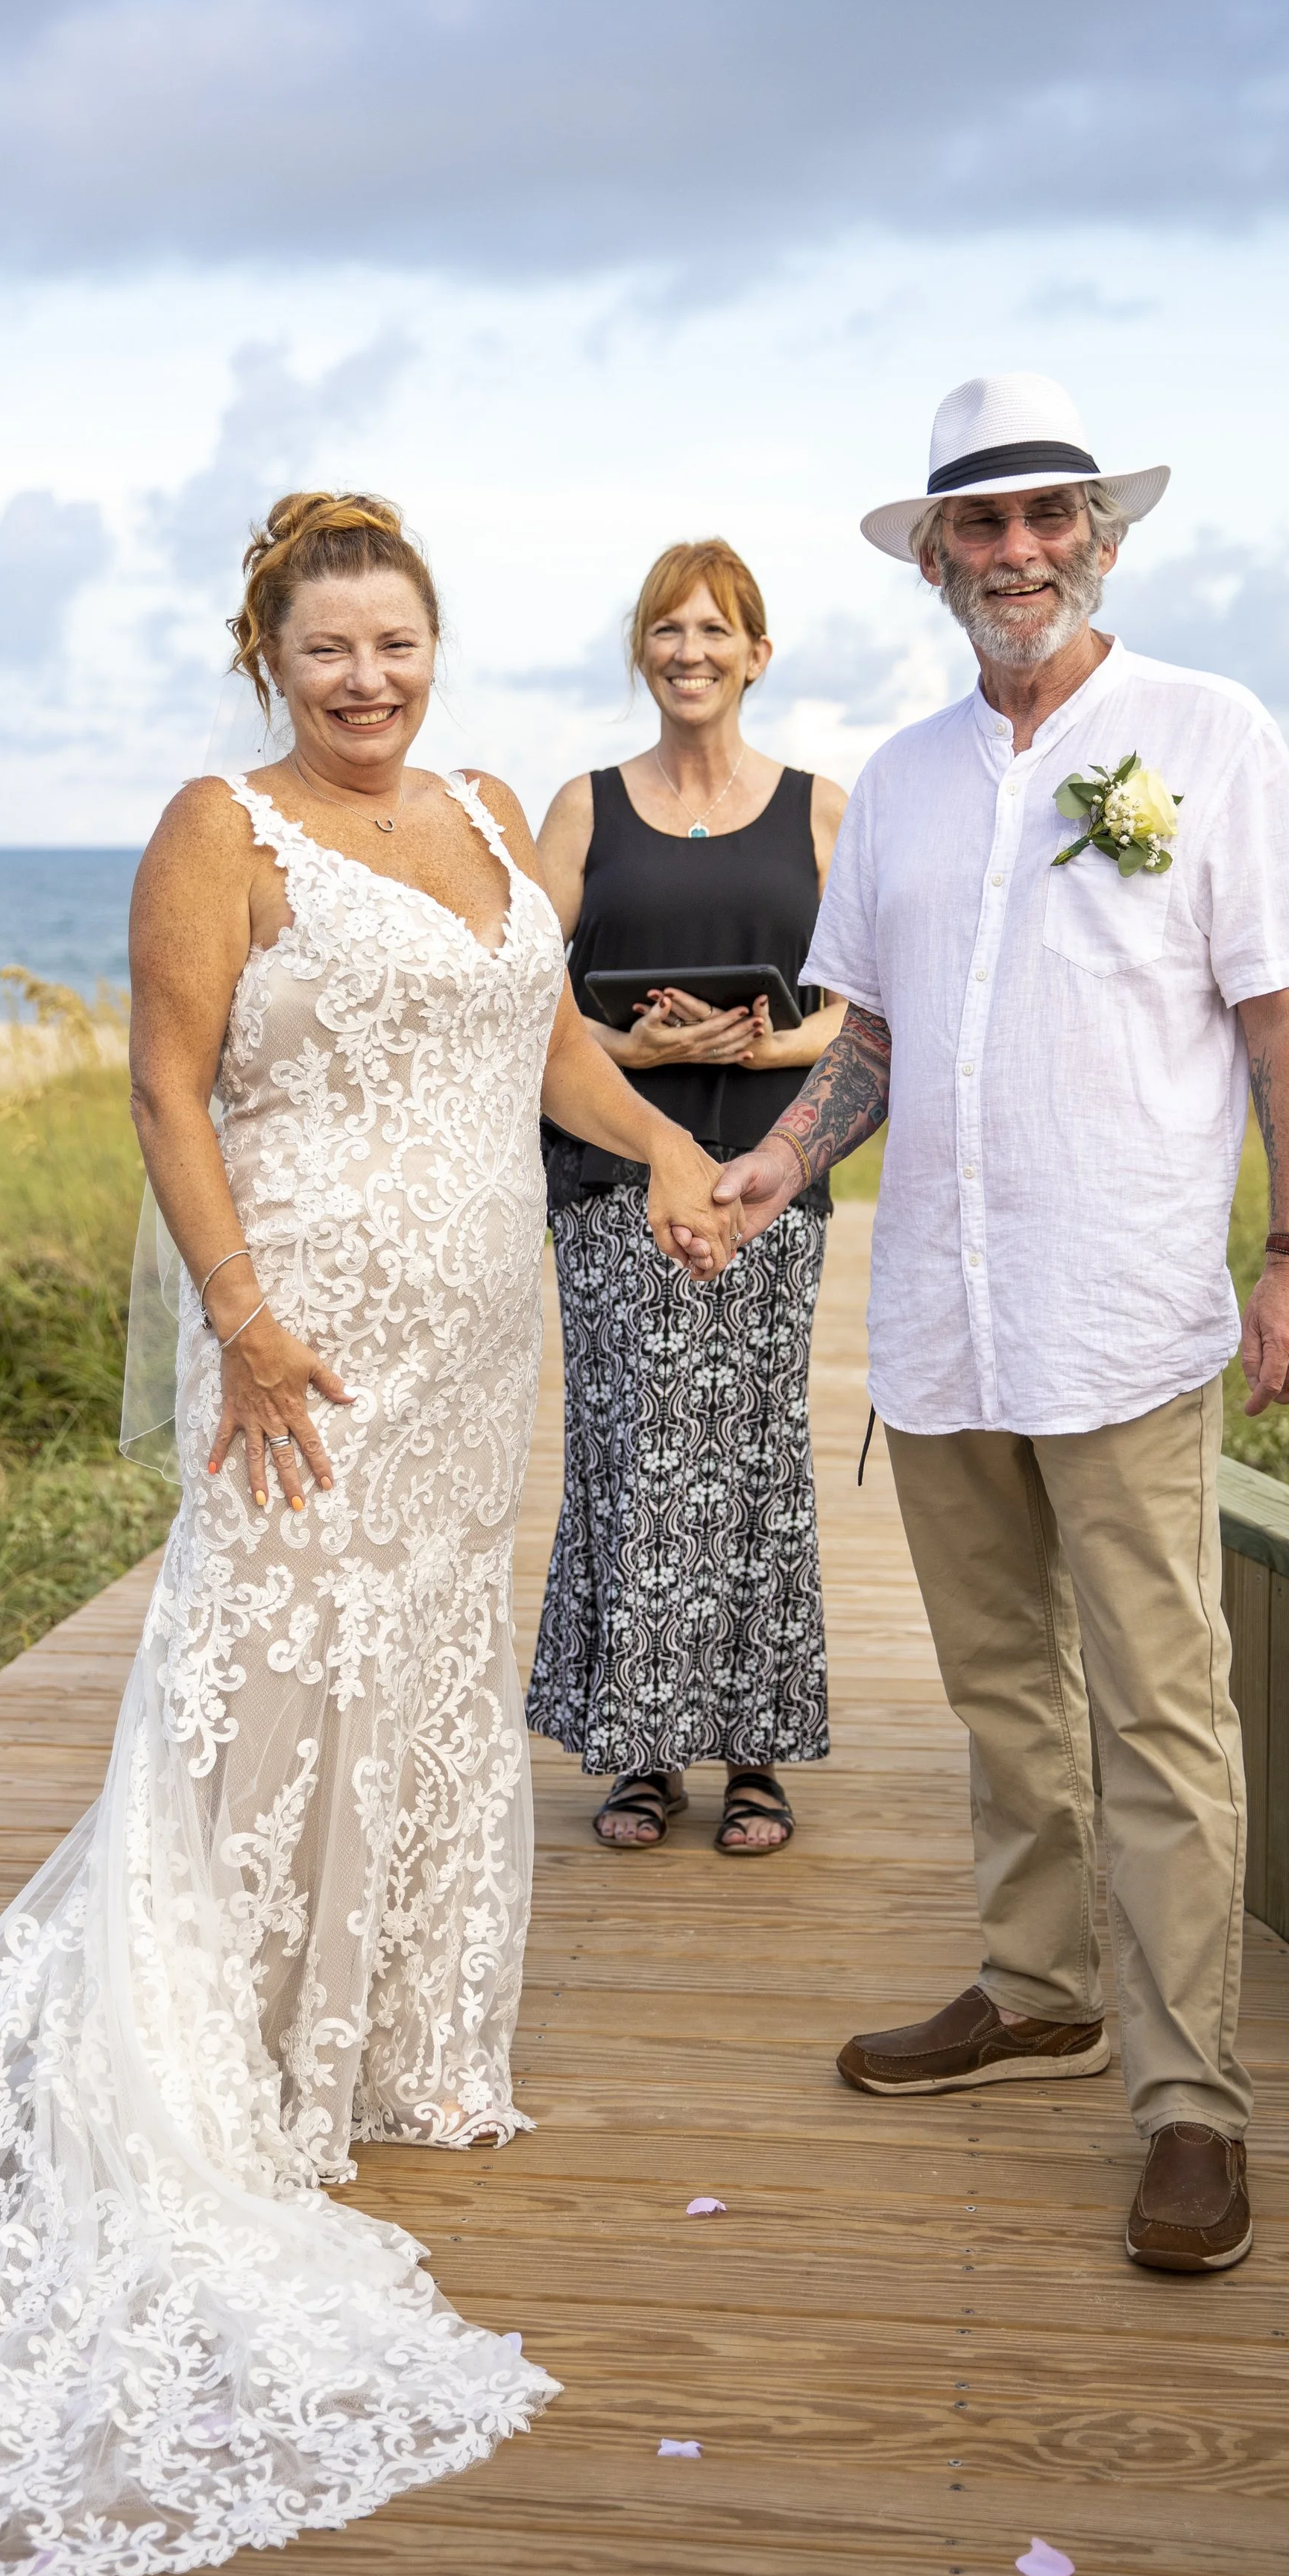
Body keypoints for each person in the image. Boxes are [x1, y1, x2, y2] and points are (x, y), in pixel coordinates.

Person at [0, 493, 740, 2576]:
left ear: (438, 647)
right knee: (259, 1680)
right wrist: (246, 1324)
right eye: (329, 650)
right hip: (302, 1345)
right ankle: (212, 2072)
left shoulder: (471, 804)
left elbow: (537, 1038)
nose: (371, 679)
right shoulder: (217, 829)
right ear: (267, 657)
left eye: (399, 641)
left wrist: (668, 1155)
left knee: (433, 1661)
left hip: (472, 1349)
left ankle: (383, 2045)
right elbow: (170, 1094)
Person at [715, 375, 1289, 2274]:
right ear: (930, 558)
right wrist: (773, 1167)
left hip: (1127, 1309)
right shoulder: (898, 778)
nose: (1013, 553)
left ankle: (1187, 2100)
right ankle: (1034, 1988)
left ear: (1098, 534)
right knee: (1003, 1698)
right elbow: (878, 1040)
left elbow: (1285, 1016)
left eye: (1043, 516)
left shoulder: (1208, 737)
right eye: (974, 527)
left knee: (1160, 1709)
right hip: (941, 1319)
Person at [528, 540, 848, 1856]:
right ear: (642, 654)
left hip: (769, 1180)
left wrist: (763, 1049)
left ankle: (756, 1750)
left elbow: (870, 1002)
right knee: (632, 1449)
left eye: (716, 631)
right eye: (667, 630)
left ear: (757, 655)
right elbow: (516, 998)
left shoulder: (824, 806)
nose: (691, 651)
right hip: (610, 1180)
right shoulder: (583, 808)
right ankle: (642, 1747)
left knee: (756, 1454)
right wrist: (639, 1055)